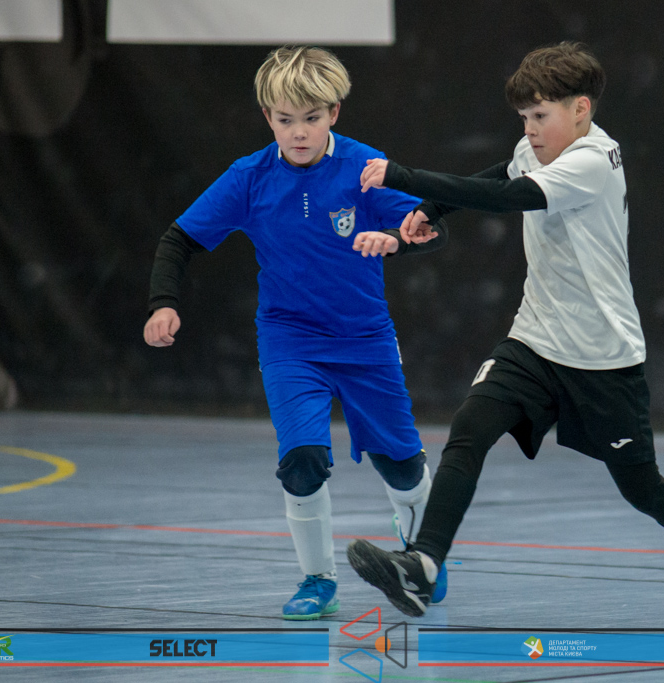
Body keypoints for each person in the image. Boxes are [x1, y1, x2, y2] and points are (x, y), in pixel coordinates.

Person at [346, 41, 664, 630]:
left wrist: (402, 178)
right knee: (469, 429)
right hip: (535, 341)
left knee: (642, 488)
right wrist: (430, 211)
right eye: (523, 117)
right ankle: (424, 565)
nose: (530, 130)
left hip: (604, 358)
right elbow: (502, 172)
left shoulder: (593, 161)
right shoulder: (534, 149)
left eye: (540, 116)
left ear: (580, 109)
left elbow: (511, 197)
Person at [144, 45, 448, 620]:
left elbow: (431, 227)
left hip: (365, 340)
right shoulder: (249, 178)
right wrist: (164, 303)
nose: (299, 132)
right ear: (268, 118)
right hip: (290, 341)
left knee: (400, 463)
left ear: (334, 113)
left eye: (312, 118)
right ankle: (317, 579)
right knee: (302, 458)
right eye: (286, 120)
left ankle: (423, 556)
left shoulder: (366, 168)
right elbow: (178, 240)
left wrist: (397, 239)